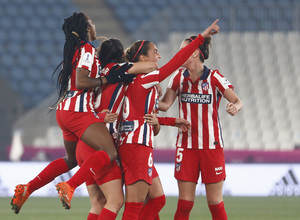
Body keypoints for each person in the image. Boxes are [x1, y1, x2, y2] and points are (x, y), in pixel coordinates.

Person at [10, 12, 133, 214]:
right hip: (79, 111)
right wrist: (106, 80)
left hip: (65, 111)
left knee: (71, 159)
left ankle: (28, 188)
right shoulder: (86, 50)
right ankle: (70, 186)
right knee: (109, 152)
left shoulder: (75, 50)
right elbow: (82, 81)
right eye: (91, 22)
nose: (94, 25)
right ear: (86, 28)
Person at [118, 19, 220, 220]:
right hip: (136, 145)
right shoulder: (146, 78)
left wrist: (171, 121)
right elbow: (175, 63)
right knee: (134, 207)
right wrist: (201, 38)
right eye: (155, 52)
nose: (159, 55)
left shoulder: (133, 80)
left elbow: (146, 116)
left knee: (157, 200)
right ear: (143, 57)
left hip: (135, 143)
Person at [158, 34, 243, 220]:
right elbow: (164, 105)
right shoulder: (178, 77)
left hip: (211, 147)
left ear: (195, 53)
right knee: (185, 203)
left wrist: (234, 107)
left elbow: (237, 101)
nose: (179, 54)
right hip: (186, 147)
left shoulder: (214, 77)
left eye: (183, 50)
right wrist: (146, 92)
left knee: (215, 202)